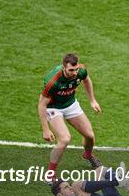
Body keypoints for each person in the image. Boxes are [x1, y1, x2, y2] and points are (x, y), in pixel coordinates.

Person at [38, 53, 102, 181]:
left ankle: (88, 155)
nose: (74, 73)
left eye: (76, 69)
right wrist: (45, 129)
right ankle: (49, 175)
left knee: (90, 135)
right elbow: (41, 105)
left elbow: (86, 80)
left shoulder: (81, 71)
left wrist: (92, 100)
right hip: (54, 107)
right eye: (71, 70)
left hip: (70, 104)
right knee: (65, 139)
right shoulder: (53, 81)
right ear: (63, 67)